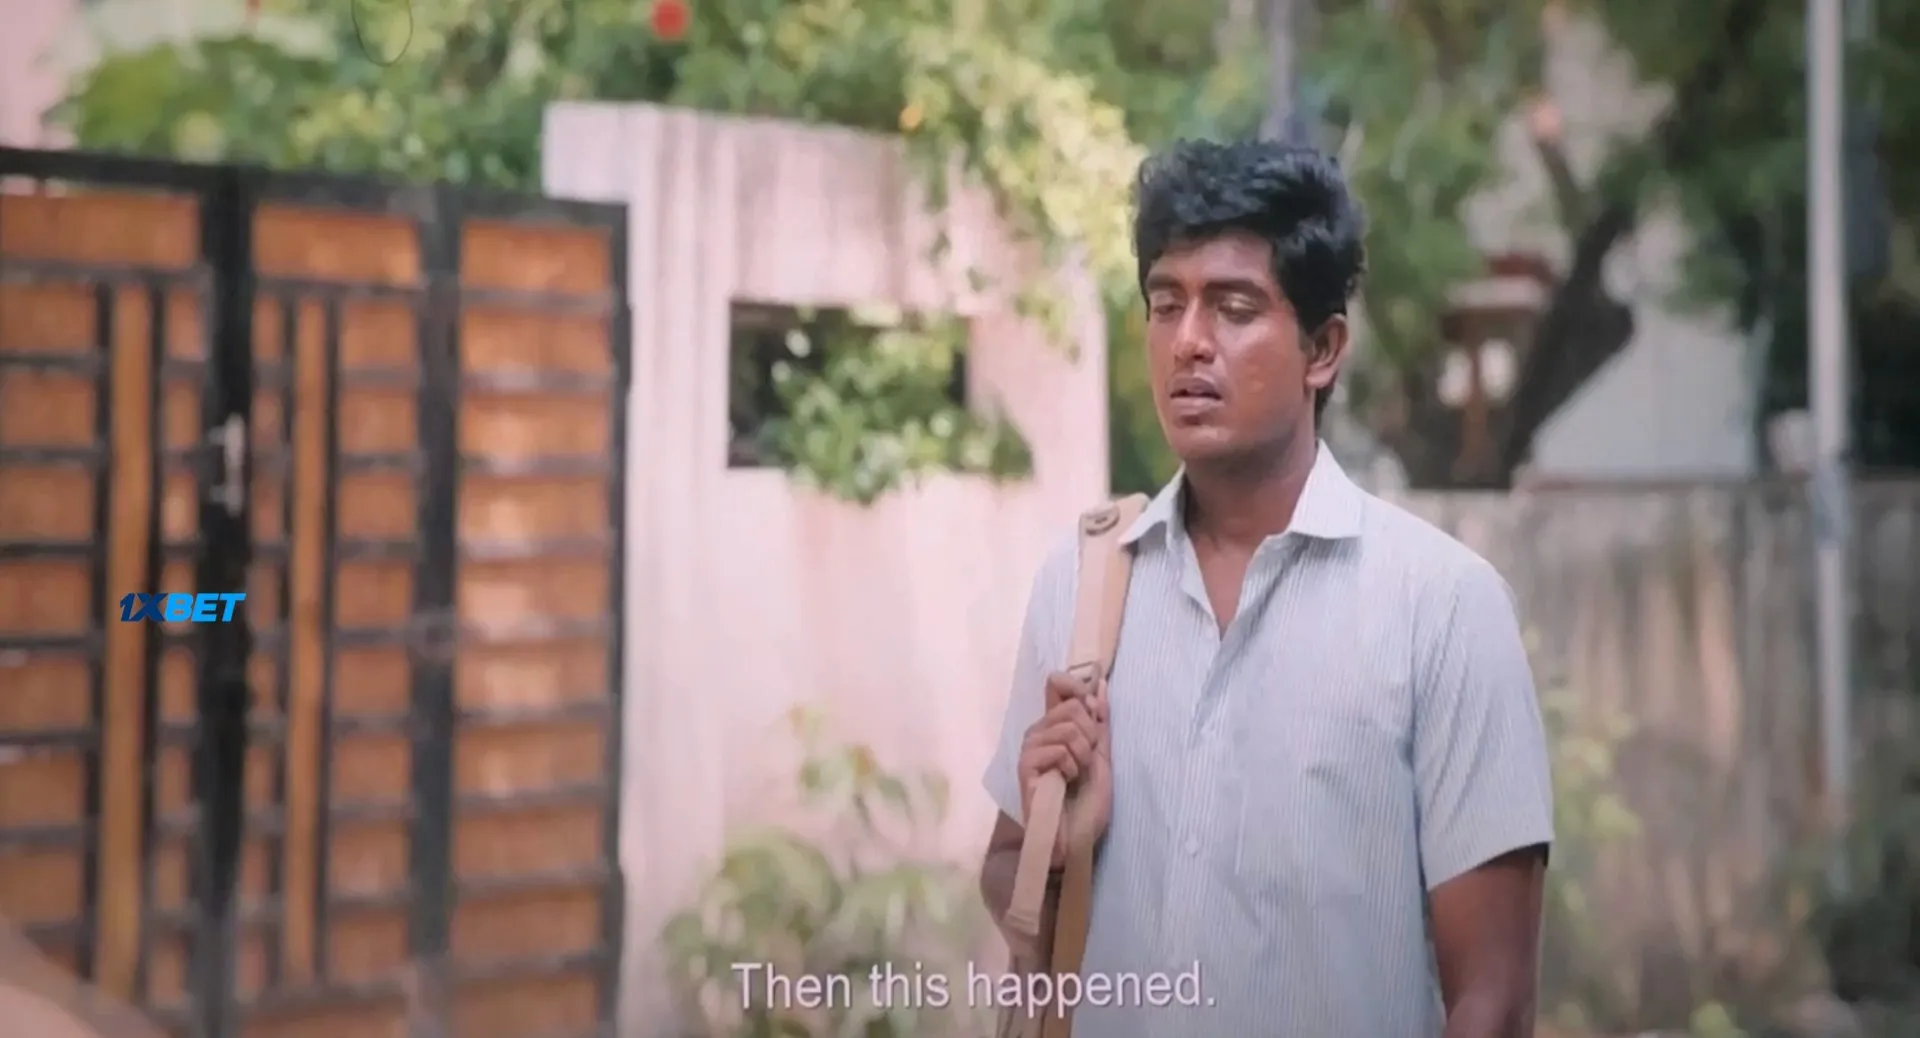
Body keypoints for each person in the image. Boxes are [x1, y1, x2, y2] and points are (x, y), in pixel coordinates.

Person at [977, 139, 1554, 1038]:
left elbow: (1494, 998)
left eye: (1234, 307)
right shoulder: (1084, 586)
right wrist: (1056, 843)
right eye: (1166, 304)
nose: (1189, 341)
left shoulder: (1441, 608)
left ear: (1322, 349)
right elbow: (1010, 877)